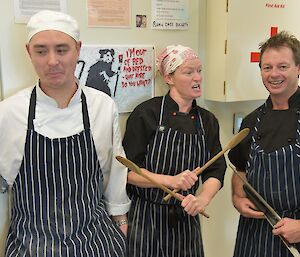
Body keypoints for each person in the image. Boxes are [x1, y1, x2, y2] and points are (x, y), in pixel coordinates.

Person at [0, 10, 131, 256]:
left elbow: (115, 175)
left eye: (62, 50)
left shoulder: (102, 107)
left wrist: (121, 229)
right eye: (41, 51)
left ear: (78, 49)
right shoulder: (8, 113)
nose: (52, 61)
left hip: (97, 243)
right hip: (32, 245)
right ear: (28, 51)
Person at [122, 45, 227, 257]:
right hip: (145, 219)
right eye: (188, 72)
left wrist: (202, 200)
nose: (197, 78)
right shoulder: (146, 114)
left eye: (199, 70)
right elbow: (127, 171)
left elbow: (216, 170)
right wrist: (171, 181)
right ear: (169, 78)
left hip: (186, 221)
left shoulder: (207, 121)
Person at [229, 31, 300, 256]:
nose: (274, 74)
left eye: (283, 66)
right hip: (254, 235)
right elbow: (240, 170)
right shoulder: (251, 121)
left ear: (298, 68)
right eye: (267, 67)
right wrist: (237, 198)